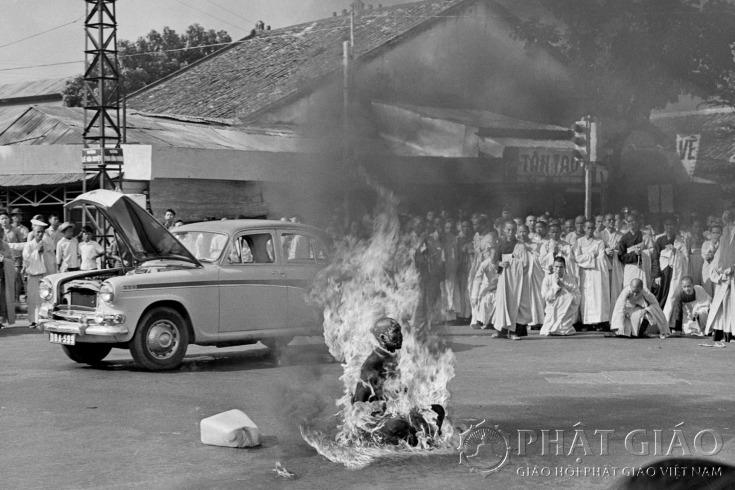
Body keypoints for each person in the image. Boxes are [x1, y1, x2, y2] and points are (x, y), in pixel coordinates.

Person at [352, 318, 445, 446]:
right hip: (377, 424)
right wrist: (377, 411)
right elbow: (357, 405)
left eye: (400, 331)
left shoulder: (392, 358)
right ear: (383, 338)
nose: (401, 336)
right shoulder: (372, 365)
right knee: (400, 425)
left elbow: (400, 394)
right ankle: (415, 440)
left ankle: (426, 440)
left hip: (396, 413)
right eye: (396, 332)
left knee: (437, 411)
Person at [492, 222, 542, 339]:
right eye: (508, 230)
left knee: (514, 303)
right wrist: (500, 263)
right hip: (504, 278)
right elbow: (494, 261)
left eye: (513, 230)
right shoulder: (500, 244)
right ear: (504, 230)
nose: (510, 232)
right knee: (501, 303)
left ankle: (512, 331)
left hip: (516, 280)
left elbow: (525, 263)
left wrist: (513, 262)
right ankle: (501, 330)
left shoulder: (520, 246)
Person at [704, 209, 735, 344]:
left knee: (729, 304)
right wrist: (719, 272)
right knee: (723, 304)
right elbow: (718, 256)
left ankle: (728, 332)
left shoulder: (729, 234)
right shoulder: (724, 236)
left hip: (730, 274)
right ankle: (721, 331)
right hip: (724, 275)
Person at [573, 219, 610, 328]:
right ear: (584, 228)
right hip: (584, 273)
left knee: (597, 296)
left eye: (592, 228)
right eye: (588, 228)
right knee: (585, 297)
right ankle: (586, 322)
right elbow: (577, 258)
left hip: (596, 274)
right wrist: (591, 255)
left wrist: (587, 258)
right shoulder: (579, 242)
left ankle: (598, 321)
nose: (590, 230)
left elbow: (601, 258)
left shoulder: (599, 242)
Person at [652, 218, 690, 324]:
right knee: (661, 296)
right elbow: (655, 257)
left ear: (675, 227)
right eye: (667, 225)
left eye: (672, 225)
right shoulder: (659, 240)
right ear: (664, 226)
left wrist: (676, 252)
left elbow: (685, 257)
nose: (669, 227)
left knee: (673, 295)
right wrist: (656, 275)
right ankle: (657, 323)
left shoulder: (680, 241)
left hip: (676, 273)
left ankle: (671, 322)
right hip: (663, 273)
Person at [22, 219, 56, 327]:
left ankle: (42, 319)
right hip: (33, 275)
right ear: (33, 232)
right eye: (38, 232)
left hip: (44, 275)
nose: (40, 234)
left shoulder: (46, 244)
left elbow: (51, 258)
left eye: (42, 232)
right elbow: (27, 259)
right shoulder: (29, 245)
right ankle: (33, 320)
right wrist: (37, 251)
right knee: (33, 298)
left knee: (44, 298)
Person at [539, 257, 581, 336]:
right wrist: (556, 287)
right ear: (553, 267)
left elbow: (577, 298)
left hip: (566, 315)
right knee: (547, 329)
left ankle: (563, 325)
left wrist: (564, 288)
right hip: (552, 313)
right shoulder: (547, 279)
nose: (558, 269)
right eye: (556, 267)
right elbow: (545, 297)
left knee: (564, 329)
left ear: (564, 267)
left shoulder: (571, 280)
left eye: (561, 267)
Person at [618, 213, 654, 289]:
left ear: (637, 222)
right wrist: (634, 254)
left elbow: (652, 251)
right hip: (630, 267)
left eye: (633, 221)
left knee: (644, 289)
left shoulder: (645, 236)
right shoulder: (623, 238)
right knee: (629, 289)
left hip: (643, 267)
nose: (631, 223)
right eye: (629, 221)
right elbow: (621, 256)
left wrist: (643, 253)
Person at [602, 213, 625, 317]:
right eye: (608, 220)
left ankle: (615, 316)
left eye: (613, 220)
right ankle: (605, 317)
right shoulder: (599, 235)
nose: (611, 222)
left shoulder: (621, 235)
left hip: (616, 266)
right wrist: (604, 250)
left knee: (615, 290)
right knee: (605, 291)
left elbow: (623, 250)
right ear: (604, 222)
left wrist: (616, 251)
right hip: (604, 266)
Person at [456, 220, 474, 321]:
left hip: (471, 266)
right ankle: (462, 315)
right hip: (462, 267)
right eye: (464, 226)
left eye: (468, 226)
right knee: (463, 291)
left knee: (470, 290)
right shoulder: (457, 239)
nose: (466, 228)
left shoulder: (474, 238)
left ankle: (470, 314)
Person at [0, 227, 17, 328]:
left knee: (2, 300)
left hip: (3, 277)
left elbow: (11, 260)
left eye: (0, 231)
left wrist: (4, 260)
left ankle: (0, 320)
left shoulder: (5, 245)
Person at [701, 222, 721, 297]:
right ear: (710, 234)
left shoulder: (723, 245)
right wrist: (712, 245)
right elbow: (706, 257)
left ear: (721, 234)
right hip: (707, 270)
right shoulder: (706, 244)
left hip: (718, 271)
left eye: (718, 233)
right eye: (713, 233)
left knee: (717, 292)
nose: (715, 235)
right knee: (707, 292)